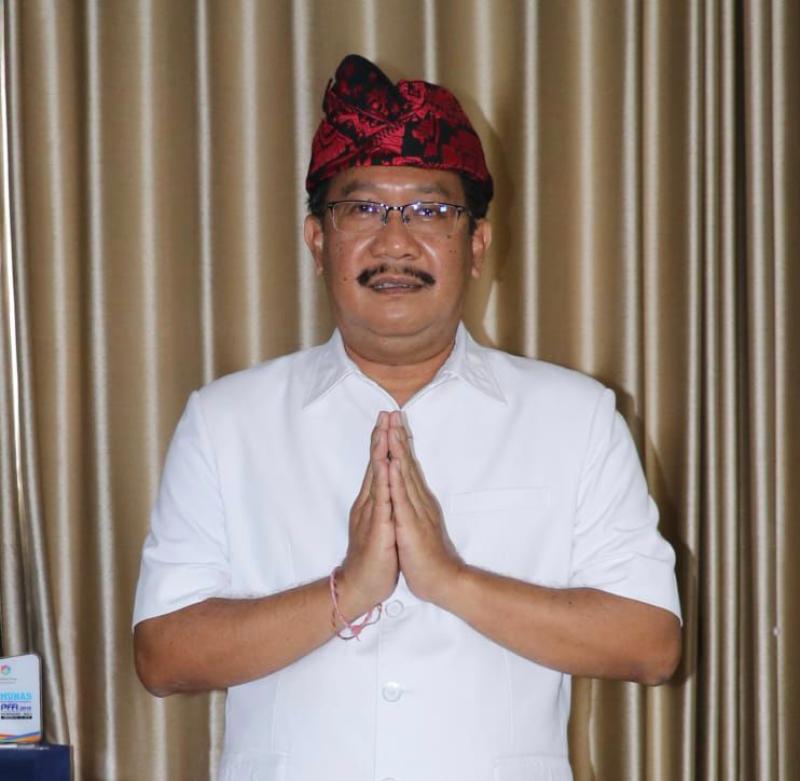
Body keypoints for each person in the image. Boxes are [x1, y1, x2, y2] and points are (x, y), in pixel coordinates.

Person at [133, 54, 681, 781]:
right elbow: (163, 653)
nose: (394, 242)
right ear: (317, 240)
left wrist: (450, 580)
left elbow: (650, 642)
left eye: (429, 211)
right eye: (363, 209)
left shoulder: (576, 417)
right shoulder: (225, 420)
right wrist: (348, 591)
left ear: (476, 245)